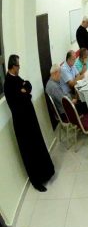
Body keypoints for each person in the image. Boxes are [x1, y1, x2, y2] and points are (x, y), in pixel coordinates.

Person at [4, 55, 55, 192]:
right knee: (29, 152)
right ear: (13, 66)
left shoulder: (16, 78)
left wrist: (25, 90)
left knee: (38, 145)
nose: (19, 68)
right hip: (22, 124)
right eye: (18, 66)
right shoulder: (8, 84)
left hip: (30, 120)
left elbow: (28, 85)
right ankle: (37, 181)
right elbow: (19, 101)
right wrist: (25, 93)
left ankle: (47, 173)